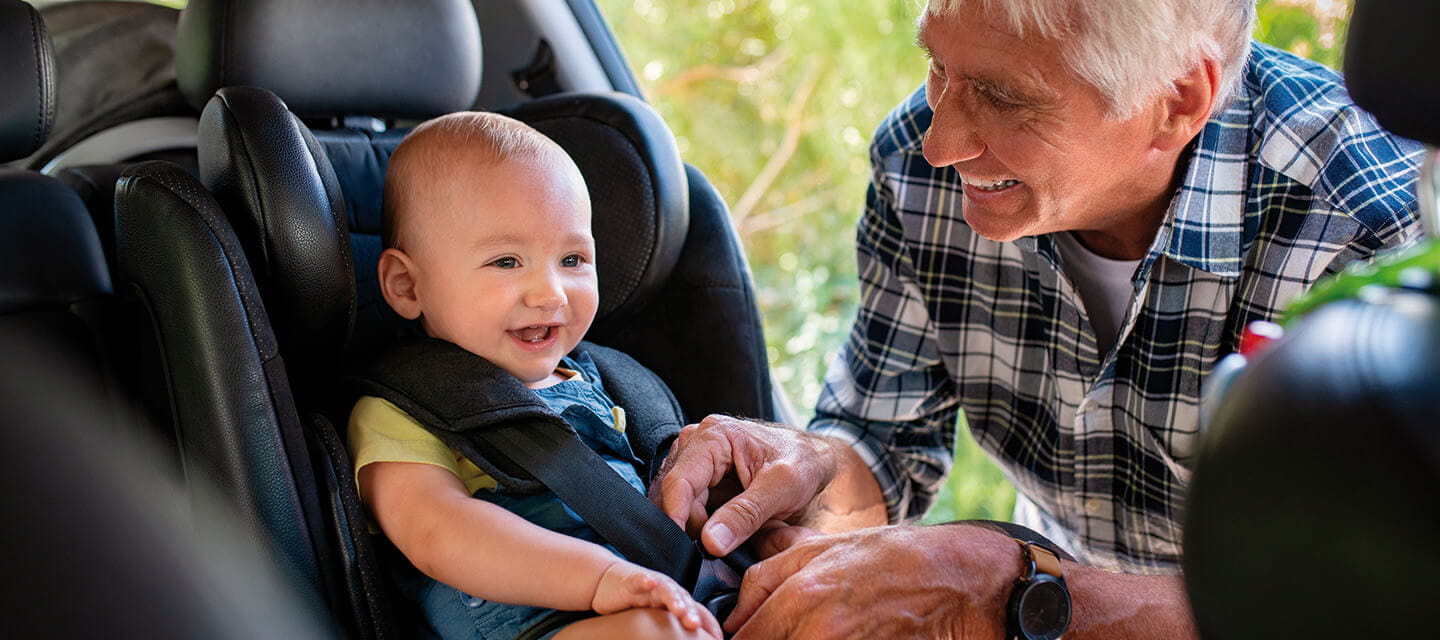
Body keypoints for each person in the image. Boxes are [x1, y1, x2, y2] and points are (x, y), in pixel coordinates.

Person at [653, 0, 1425, 638]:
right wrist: (809, 465)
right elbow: (882, 450)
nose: (941, 140)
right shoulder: (916, 173)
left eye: (1003, 95)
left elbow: (1379, 601)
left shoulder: (1373, 229)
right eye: (938, 68)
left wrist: (1015, 593)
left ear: (1177, 101)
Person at [348, 111, 721, 640]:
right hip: (532, 624)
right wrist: (599, 578)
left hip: (652, 595)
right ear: (408, 286)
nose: (551, 293)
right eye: (506, 262)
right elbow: (434, 529)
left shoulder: (608, 384)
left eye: (572, 258)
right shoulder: (399, 410)